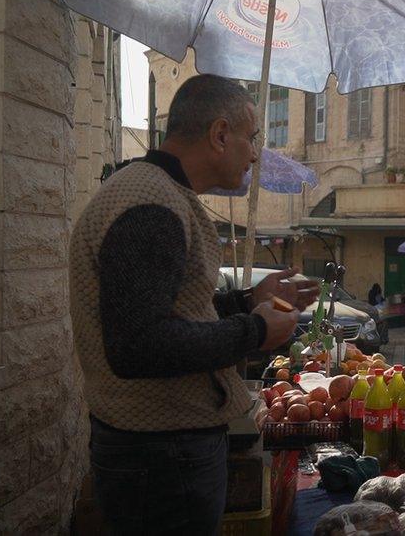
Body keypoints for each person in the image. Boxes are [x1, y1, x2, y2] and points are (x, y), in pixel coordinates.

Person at [69, 74, 319, 535]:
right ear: (220, 134)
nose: (254, 153)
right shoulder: (151, 205)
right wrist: (257, 330)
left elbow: (175, 311)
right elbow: (139, 346)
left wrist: (248, 300)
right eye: (252, 138)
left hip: (162, 452)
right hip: (162, 457)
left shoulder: (158, 194)